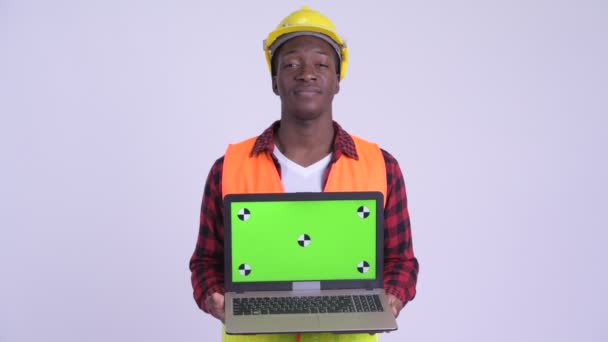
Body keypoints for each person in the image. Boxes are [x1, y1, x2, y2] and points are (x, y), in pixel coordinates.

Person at [190, 6, 419, 342]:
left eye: (322, 64)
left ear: (338, 81)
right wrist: (214, 297)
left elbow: (402, 260)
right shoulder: (228, 167)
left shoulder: (381, 166)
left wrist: (392, 297)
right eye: (291, 64)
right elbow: (205, 261)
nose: (307, 73)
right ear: (274, 81)